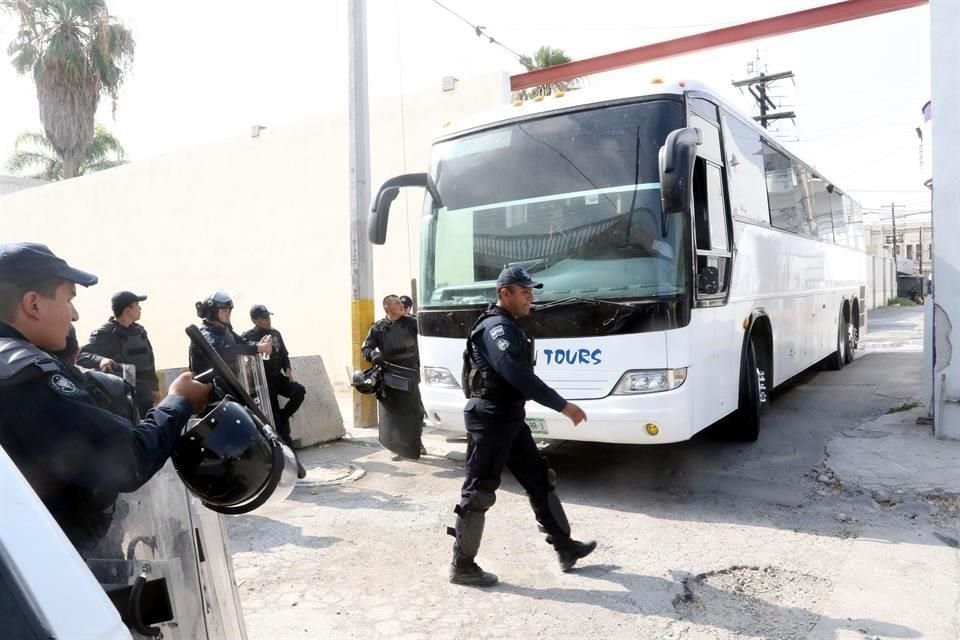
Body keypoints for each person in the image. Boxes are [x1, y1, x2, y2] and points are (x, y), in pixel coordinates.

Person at [0, 242, 211, 557]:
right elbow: (128, 459)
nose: (75, 314)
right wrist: (179, 401)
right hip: (51, 565)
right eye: (69, 298)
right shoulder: (27, 375)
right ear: (33, 304)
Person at [449, 265, 596, 587]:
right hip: (490, 418)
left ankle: (565, 547)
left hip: (509, 416)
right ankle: (462, 566)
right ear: (505, 293)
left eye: (531, 291)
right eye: (524, 291)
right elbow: (517, 374)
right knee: (479, 493)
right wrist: (563, 405)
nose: (531, 297)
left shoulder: (512, 325)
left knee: (540, 480)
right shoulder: (495, 328)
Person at [76, 290, 160, 417]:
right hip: (120, 396)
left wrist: (154, 387)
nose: (140, 308)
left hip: (144, 394)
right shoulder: (106, 333)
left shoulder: (140, 331)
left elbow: (149, 360)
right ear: (127, 310)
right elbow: (81, 356)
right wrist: (100, 360)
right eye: (137, 305)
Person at [361, 294, 424, 458]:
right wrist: (373, 355)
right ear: (387, 307)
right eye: (396, 303)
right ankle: (397, 447)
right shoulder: (378, 328)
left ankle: (416, 442)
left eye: (401, 302)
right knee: (394, 412)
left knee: (415, 410)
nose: (401, 305)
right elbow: (366, 348)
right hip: (390, 372)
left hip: (410, 371)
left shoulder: (412, 323)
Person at [241, 304, 305, 449]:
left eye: (268, 316)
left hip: (278, 377)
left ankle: (284, 416)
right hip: (263, 382)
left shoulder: (276, 334)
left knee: (299, 391)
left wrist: (287, 369)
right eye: (264, 318)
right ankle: (286, 446)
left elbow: (283, 354)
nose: (268, 320)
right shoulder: (248, 337)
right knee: (274, 416)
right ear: (255, 320)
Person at [188, 290, 272, 376]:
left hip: (227, 384)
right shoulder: (205, 333)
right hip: (207, 386)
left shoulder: (225, 331)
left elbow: (243, 342)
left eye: (229, 310)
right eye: (224, 310)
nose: (228, 314)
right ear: (212, 312)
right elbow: (222, 352)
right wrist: (258, 348)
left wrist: (259, 345)